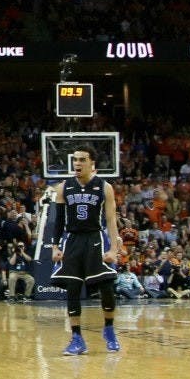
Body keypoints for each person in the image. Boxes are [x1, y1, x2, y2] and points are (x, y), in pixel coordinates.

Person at [49, 145, 123, 355]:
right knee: (72, 288)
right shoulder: (64, 187)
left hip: (95, 238)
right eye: (75, 160)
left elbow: (110, 219)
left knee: (106, 285)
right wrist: (55, 246)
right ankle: (77, 338)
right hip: (72, 240)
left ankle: (109, 330)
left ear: (92, 164)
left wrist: (113, 249)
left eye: (82, 160)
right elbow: (59, 221)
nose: (77, 164)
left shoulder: (104, 187)